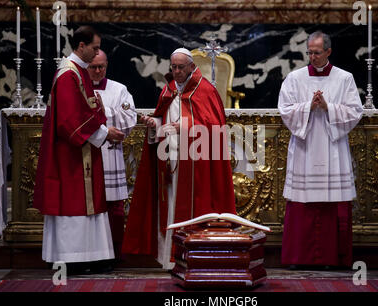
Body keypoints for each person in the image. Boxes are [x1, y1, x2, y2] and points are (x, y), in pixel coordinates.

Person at [122, 47, 236, 269]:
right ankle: (170, 258)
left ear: (192, 66)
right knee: (170, 206)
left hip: (197, 164)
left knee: (194, 207)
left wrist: (183, 127)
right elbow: (162, 118)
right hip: (170, 160)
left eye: (180, 67)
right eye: (173, 67)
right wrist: (154, 124)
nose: (176, 72)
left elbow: (214, 128)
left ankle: (195, 258)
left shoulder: (205, 91)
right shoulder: (168, 90)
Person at [33, 26, 125, 275]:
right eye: (94, 48)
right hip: (70, 156)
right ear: (81, 46)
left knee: (86, 205)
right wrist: (105, 133)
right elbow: (70, 120)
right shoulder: (68, 75)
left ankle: (90, 256)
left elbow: (88, 109)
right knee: (72, 205)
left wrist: (104, 128)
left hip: (82, 150)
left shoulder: (78, 72)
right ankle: (71, 258)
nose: (97, 53)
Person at [277, 31, 363, 269]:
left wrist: (328, 108)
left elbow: (355, 111)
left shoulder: (344, 78)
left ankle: (331, 259)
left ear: (328, 51)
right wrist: (307, 107)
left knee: (330, 204)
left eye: (316, 52)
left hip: (332, 147)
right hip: (305, 148)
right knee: (301, 204)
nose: (312, 57)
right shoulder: (294, 78)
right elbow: (284, 109)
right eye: (309, 52)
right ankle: (298, 258)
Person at [87, 49, 137, 262]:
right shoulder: (76, 88)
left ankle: (113, 255)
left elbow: (129, 118)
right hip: (85, 158)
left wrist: (102, 111)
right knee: (89, 207)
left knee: (113, 208)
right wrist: (108, 115)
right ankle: (89, 255)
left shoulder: (119, 89)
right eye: (93, 67)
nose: (98, 71)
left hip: (110, 155)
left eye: (102, 67)